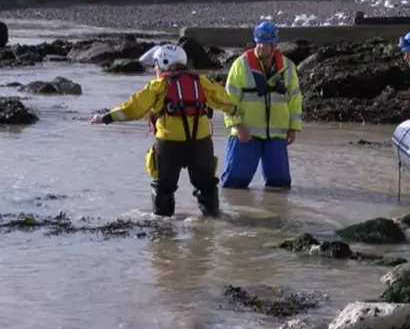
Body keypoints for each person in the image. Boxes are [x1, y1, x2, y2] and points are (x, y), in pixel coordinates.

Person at [90, 44, 240, 217]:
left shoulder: (159, 85)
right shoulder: (202, 82)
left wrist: (106, 117)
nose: (155, 68)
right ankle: (213, 221)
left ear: (163, 62)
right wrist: (238, 114)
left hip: (170, 145)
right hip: (201, 143)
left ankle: (163, 231)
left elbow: (133, 108)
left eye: (156, 64)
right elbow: (225, 101)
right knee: (206, 185)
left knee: (163, 188)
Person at [220, 20, 303, 189]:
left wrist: (293, 127)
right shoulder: (241, 64)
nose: (261, 48)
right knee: (234, 183)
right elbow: (229, 100)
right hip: (246, 133)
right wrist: (237, 125)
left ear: (275, 45)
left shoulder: (287, 67)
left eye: (266, 44)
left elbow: (294, 99)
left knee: (280, 184)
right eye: (258, 43)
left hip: (276, 135)